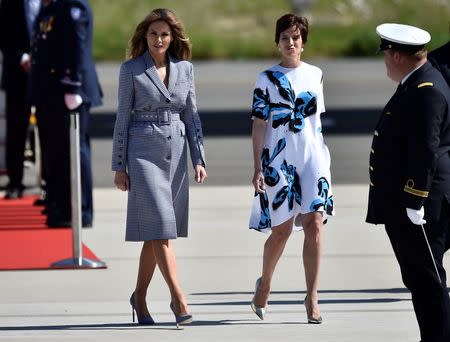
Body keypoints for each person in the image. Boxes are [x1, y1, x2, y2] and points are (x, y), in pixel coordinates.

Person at [111, 8, 207, 326]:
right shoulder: (131, 70)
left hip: (176, 152)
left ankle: (139, 297)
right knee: (163, 227)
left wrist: (198, 158)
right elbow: (122, 118)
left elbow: (192, 116)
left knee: (156, 232)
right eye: (153, 33)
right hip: (142, 153)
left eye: (164, 34)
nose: (159, 39)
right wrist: (119, 166)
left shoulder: (186, 69)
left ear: (173, 37)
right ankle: (178, 299)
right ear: (145, 36)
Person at [367, 23, 450, 342]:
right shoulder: (417, 81)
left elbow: (426, 149)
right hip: (408, 202)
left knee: (428, 280)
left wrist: (415, 200)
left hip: (420, 204)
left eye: (387, 53)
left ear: (397, 55)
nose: (386, 61)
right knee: (420, 278)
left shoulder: (425, 89)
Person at [248, 13, 334, 324]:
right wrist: (257, 166)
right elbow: (259, 125)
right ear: (277, 42)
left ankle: (312, 296)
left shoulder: (316, 74)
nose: (290, 42)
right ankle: (266, 283)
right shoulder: (265, 79)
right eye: (285, 37)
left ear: (303, 42)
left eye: (296, 37)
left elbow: (316, 123)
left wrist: (322, 161)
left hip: (312, 157)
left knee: (315, 224)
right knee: (282, 230)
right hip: (278, 159)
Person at [29, 0, 102, 227]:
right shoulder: (53, 7)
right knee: (60, 153)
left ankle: (81, 210)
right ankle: (63, 206)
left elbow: (77, 46)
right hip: (54, 90)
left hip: (70, 90)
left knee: (76, 151)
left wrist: (73, 86)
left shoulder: (72, 6)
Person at [0, 0, 41, 199]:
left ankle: (49, 184)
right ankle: (15, 182)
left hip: (46, 75)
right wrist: (22, 58)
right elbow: (3, 34)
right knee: (16, 131)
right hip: (17, 74)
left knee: (50, 132)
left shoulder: (52, 3)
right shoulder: (10, 4)